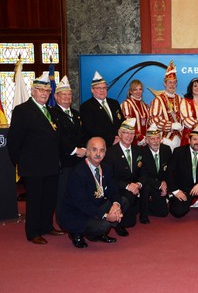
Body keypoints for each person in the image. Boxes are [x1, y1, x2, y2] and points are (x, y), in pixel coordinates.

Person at [7, 72, 64, 244]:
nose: (44, 93)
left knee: (49, 199)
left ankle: (47, 226)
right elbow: (14, 140)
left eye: (47, 90)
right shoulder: (22, 110)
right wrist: (20, 163)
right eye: (40, 90)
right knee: (34, 201)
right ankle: (33, 232)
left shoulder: (51, 111)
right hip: (33, 166)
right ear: (33, 91)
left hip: (52, 165)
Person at [59, 137, 128, 248]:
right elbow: (82, 204)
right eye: (94, 150)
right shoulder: (78, 172)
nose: (98, 154)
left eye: (101, 150)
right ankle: (77, 233)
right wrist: (105, 216)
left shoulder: (106, 168)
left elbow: (113, 191)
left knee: (123, 201)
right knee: (104, 224)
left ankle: (97, 234)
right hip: (76, 213)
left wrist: (116, 205)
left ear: (105, 153)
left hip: (94, 205)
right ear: (87, 152)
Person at [50, 76, 86, 228]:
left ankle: (76, 218)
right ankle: (62, 222)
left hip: (79, 161)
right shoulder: (52, 113)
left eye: (69, 95)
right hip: (64, 161)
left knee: (77, 191)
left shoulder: (77, 114)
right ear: (56, 97)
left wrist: (84, 148)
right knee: (63, 193)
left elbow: (83, 133)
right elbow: (58, 137)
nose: (66, 97)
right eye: (63, 94)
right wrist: (74, 150)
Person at [104, 118, 142, 235]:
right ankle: (117, 223)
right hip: (118, 188)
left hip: (135, 187)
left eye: (132, 133)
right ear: (119, 134)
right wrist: (127, 186)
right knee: (128, 222)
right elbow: (109, 178)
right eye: (126, 132)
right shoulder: (110, 153)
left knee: (131, 222)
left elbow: (144, 172)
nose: (129, 136)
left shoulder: (138, 150)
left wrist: (138, 184)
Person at [80, 71, 124, 147]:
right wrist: (111, 139)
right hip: (101, 146)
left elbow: (122, 122)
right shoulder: (86, 106)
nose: (102, 90)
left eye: (104, 88)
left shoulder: (114, 103)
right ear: (92, 90)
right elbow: (90, 129)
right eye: (98, 88)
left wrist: (121, 136)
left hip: (119, 144)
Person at [138, 123, 170, 224]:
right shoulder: (141, 153)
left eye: (158, 138)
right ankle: (143, 214)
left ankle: (145, 205)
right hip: (148, 182)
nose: (156, 142)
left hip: (160, 183)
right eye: (152, 139)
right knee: (146, 188)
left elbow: (170, 170)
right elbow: (143, 175)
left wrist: (165, 183)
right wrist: (159, 184)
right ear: (147, 140)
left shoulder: (166, 150)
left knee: (163, 213)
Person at [149, 61, 183, 151]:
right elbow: (153, 119)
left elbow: (184, 117)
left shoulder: (180, 99)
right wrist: (170, 125)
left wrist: (182, 124)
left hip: (179, 139)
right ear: (165, 83)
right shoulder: (158, 100)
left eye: (174, 82)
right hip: (164, 139)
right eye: (170, 82)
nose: (172, 85)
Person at [121, 79, 150, 146]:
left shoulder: (145, 106)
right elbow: (128, 124)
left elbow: (148, 123)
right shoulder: (126, 104)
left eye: (140, 89)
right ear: (131, 91)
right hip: (132, 141)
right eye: (135, 89)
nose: (138, 92)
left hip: (146, 142)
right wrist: (140, 138)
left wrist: (148, 138)